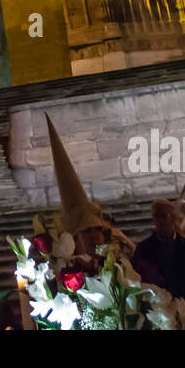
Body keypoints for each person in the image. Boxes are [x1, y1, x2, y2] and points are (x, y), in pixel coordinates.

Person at [45, 115, 134, 272]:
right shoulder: (68, 274)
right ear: (73, 238)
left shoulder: (119, 264)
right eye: (86, 231)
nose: (94, 236)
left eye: (97, 229)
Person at [131, 200, 185, 308]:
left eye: (164, 216)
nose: (160, 220)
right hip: (156, 308)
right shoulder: (143, 249)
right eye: (156, 217)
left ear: (173, 218)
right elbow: (135, 278)